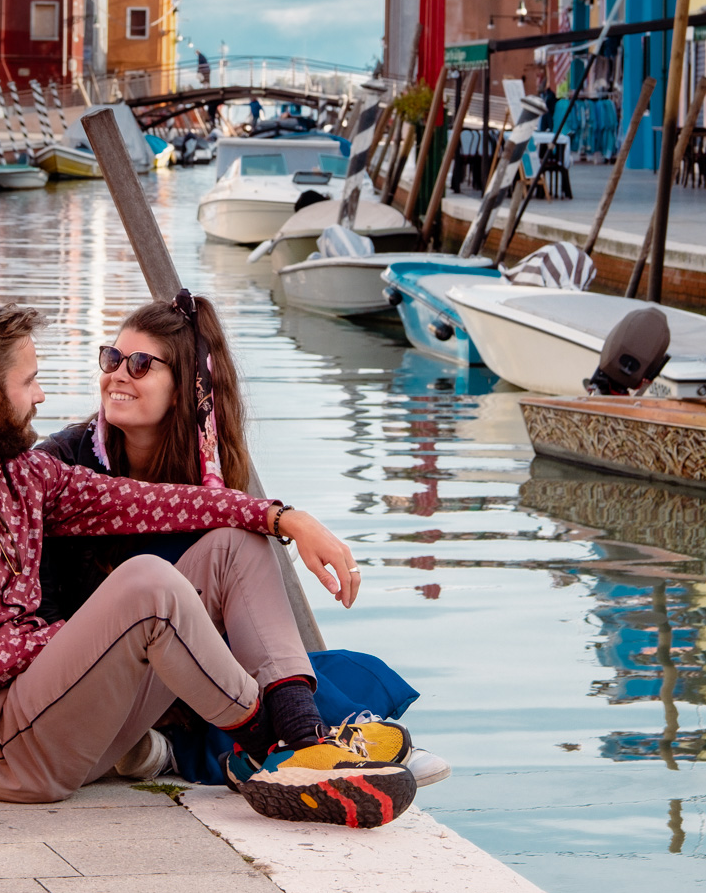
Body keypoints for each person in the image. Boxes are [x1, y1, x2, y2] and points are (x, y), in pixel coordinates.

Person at [0, 300, 418, 826]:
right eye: (30, 381)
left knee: (234, 544)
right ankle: (273, 745)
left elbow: (147, 503)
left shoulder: (21, 475)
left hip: (67, 723)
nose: (40, 397)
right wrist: (67, 640)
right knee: (146, 582)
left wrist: (280, 517)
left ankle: (302, 739)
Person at [40, 296, 446, 790]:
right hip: (99, 673)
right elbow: (48, 612)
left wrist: (287, 519)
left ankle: (278, 738)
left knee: (325, 666)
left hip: (192, 669)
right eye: (112, 358)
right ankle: (316, 737)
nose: (118, 375)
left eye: (140, 364)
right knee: (234, 568)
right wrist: (288, 520)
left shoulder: (207, 469)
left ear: (186, 386)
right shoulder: (64, 464)